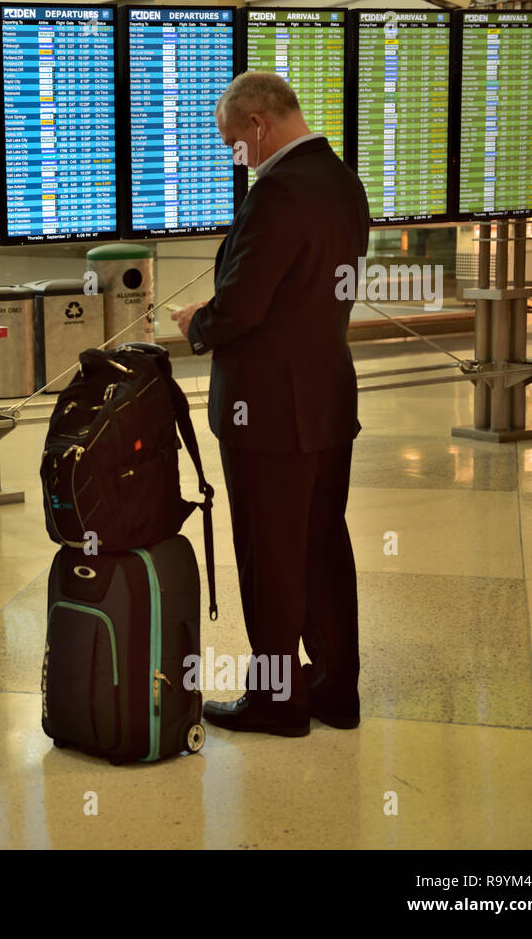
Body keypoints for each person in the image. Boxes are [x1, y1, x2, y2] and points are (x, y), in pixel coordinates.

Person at [172, 71, 370, 737]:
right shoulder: (344, 182)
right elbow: (309, 291)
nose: (238, 156)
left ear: (258, 124)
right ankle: (336, 687)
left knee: (270, 555)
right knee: (320, 545)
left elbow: (245, 306)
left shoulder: (277, 192)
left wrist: (197, 322)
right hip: (327, 398)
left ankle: (278, 700)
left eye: (235, 142)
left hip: (268, 410)